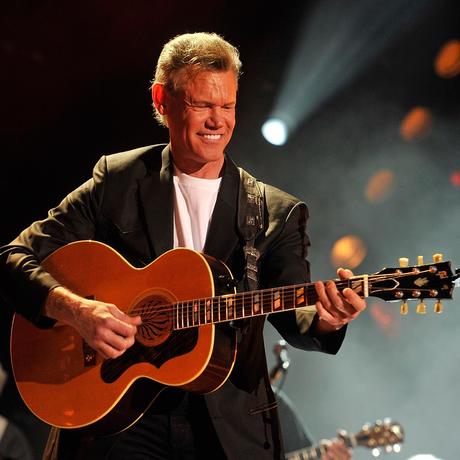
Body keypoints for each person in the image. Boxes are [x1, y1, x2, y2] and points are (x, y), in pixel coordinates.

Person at [0, 32, 366, 459]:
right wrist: (77, 311)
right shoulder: (118, 180)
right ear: (162, 100)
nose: (218, 121)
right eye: (202, 105)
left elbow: (296, 316)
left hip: (225, 428)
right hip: (117, 417)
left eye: (227, 106)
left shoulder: (274, 212)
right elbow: (12, 258)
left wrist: (329, 320)